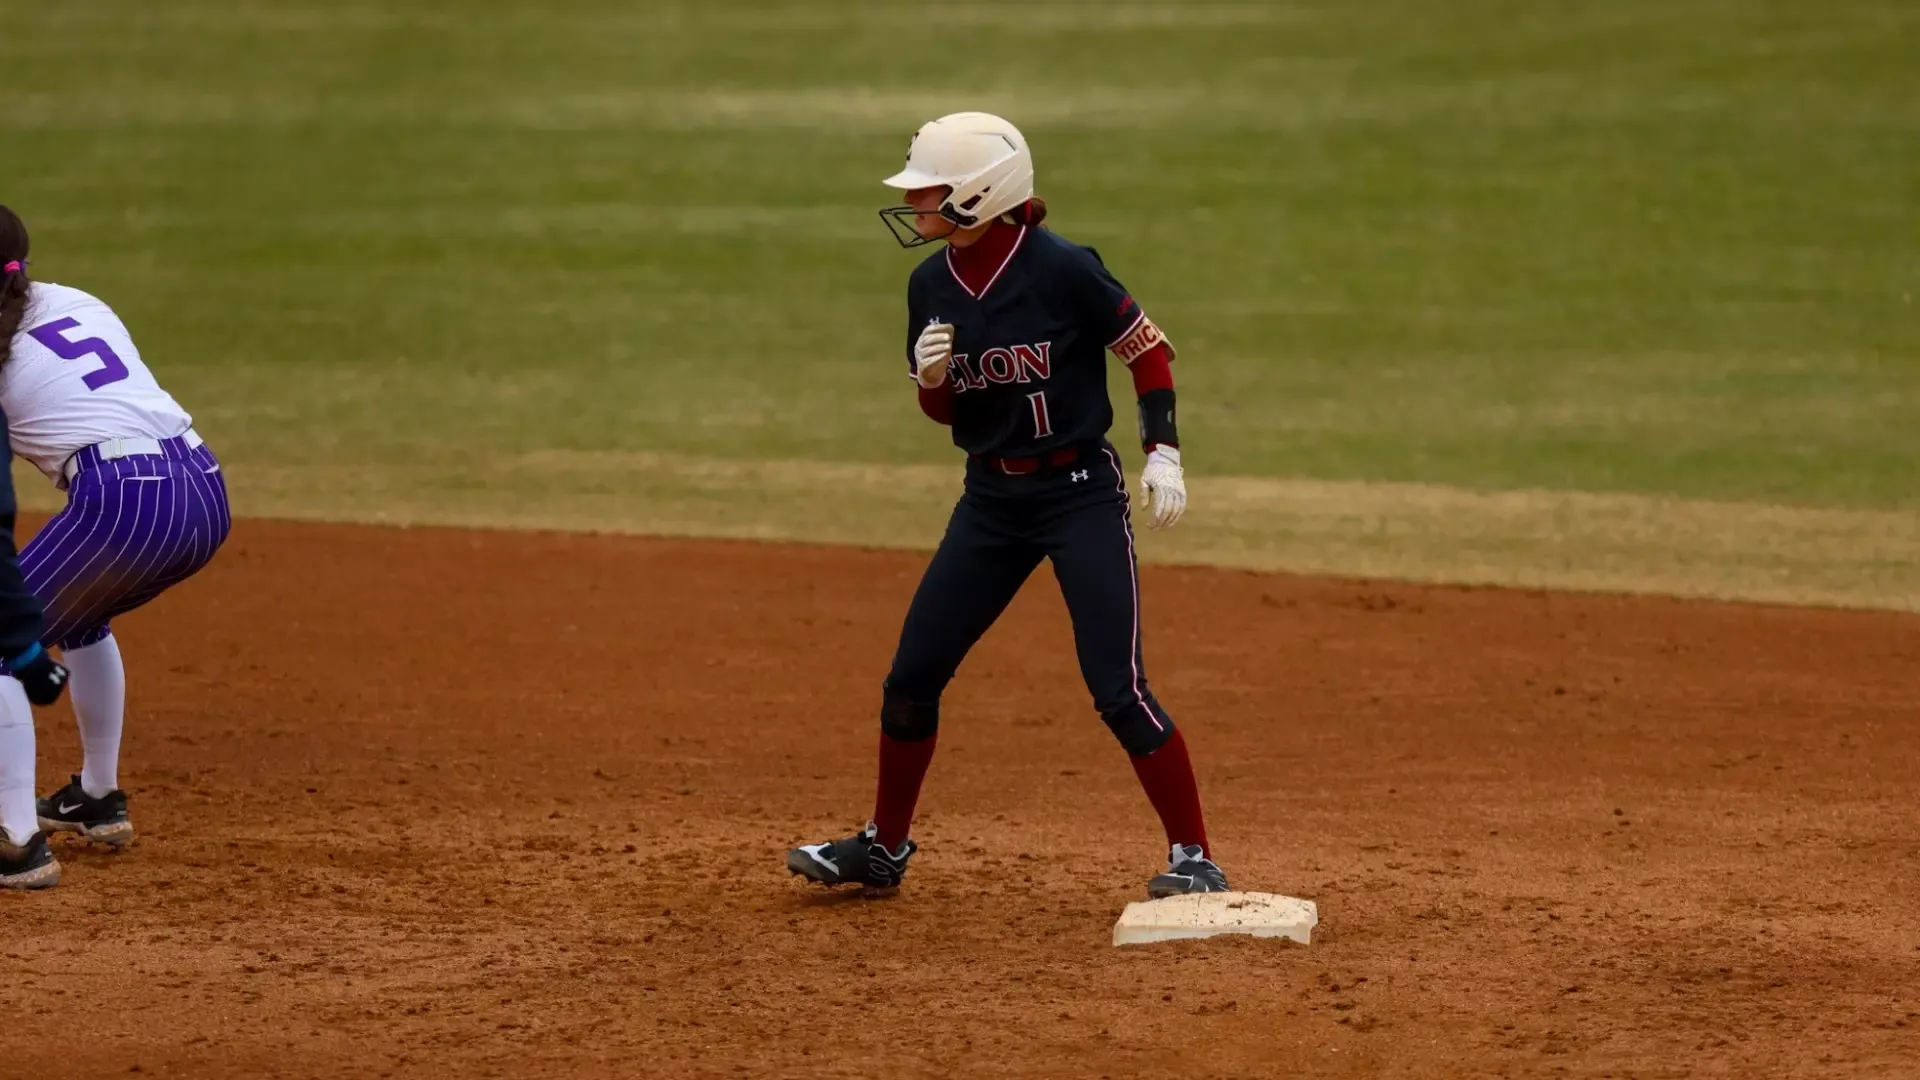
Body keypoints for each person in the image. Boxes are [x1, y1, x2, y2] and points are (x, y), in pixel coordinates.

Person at [786, 113, 1228, 898]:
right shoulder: (928, 285)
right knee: (912, 678)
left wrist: (1163, 450)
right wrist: (932, 384)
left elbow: (1147, 351)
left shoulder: (1062, 269)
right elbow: (949, 417)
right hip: (990, 499)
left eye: (928, 193)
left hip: (1078, 495)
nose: (914, 206)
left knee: (1117, 688)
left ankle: (1194, 855)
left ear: (978, 197)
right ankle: (885, 849)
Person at [0, 205, 231, 879]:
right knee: (82, 615)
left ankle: (15, 840)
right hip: (202, 486)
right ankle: (98, 797)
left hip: (128, 501)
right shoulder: (74, 300)